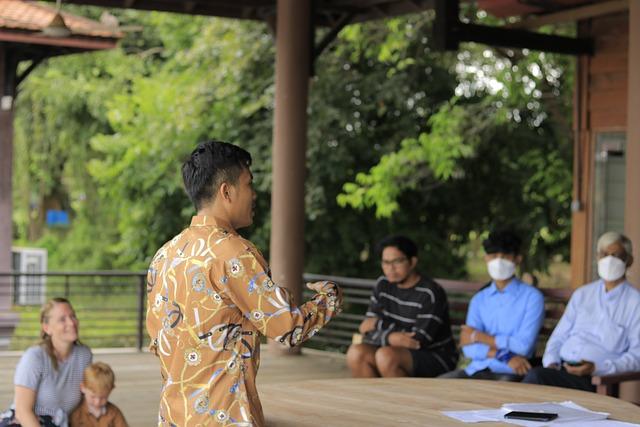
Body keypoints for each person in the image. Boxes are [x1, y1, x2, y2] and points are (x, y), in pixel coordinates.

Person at [146, 140, 342, 427]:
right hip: (225, 416)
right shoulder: (235, 252)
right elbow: (288, 327)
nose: (254, 194)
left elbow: (158, 340)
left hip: (174, 415)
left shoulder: (165, 255)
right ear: (227, 191)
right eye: (249, 184)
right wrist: (329, 300)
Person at [523, 231, 640, 391]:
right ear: (597, 258)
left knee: (535, 378)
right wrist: (551, 363)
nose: (609, 260)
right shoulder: (583, 294)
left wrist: (597, 368)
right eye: (604, 254)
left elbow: (637, 356)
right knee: (533, 377)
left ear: (629, 260)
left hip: (594, 379)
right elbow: (558, 337)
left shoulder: (635, 303)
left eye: (616, 255)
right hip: (560, 369)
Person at [346, 235, 458, 378]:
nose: (390, 268)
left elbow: (417, 341)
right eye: (385, 262)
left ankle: (400, 400)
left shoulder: (430, 292)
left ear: (412, 262)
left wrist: (379, 325)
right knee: (356, 353)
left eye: (397, 261)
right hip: (393, 349)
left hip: (436, 356)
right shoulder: (383, 285)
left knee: (386, 356)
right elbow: (366, 330)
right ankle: (375, 399)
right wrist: (392, 337)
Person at [440, 229, 544, 381]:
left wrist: (478, 336)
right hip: (476, 369)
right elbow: (468, 347)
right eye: (494, 256)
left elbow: (523, 347)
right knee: (440, 385)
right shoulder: (479, 299)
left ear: (517, 259)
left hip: (510, 372)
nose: (499, 261)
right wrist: (503, 354)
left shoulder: (532, 298)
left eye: (505, 256)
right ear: (486, 258)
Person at [0, 298, 92, 427]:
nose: (71, 322)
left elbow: (89, 400)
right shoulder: (34, 357)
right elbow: (22, 412)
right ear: (47, 328)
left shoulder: (84, 355)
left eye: (73, 316)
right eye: (62, 319)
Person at [69, 362, 128, 427]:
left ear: (111, 390)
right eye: (93, 397)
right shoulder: (76, 414)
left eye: (103, 397)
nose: (97, 402)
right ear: (83, 388)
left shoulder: (114, 412)